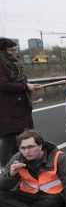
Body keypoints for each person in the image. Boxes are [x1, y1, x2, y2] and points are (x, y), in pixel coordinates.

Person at [0, 130, 66, 207]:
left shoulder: (58, 157)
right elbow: (3, 186)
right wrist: (11, 175)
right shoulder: (17, 158)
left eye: (31, 147)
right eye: (23, 148)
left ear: (40, 145)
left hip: (52, 196)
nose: (27, 152)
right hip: (28, 195)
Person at [0, 38, 40, 166]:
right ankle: (6, 168)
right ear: (3, 51)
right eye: (11, 50)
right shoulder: (1, 64)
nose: (15, 52)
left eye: (15, 49)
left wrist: (28, 86)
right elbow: (3, 84)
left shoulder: (13, 63)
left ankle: (20, 164)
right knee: (9, 138)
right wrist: (25, 87)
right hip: (7, 108)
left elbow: (19, 82)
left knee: (21, 137)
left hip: (19, 107)